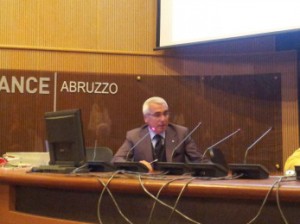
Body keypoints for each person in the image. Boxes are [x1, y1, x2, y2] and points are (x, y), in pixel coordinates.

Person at [112, 96, 204, 172]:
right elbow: (116, 160)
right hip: (145, 185)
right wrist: (137, 166)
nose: (163, 119)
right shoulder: (134, 136)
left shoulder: (181, 133)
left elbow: (200, 161)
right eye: (157, 115)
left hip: (175, 187)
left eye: (165, 113)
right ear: (146, 118)